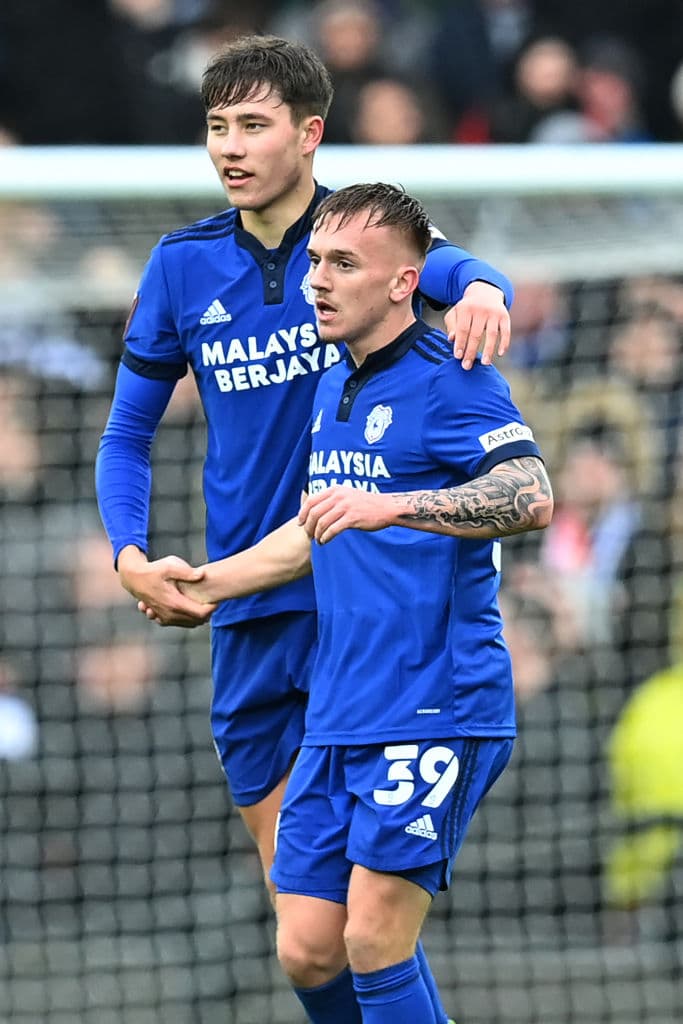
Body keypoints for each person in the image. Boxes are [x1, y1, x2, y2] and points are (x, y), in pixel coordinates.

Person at [96, 30, 513, 888]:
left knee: (364, 912)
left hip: (355, 603)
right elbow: (126, 436)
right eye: (218, 126)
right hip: (246, 603)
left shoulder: (361, 239)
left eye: (254, 124)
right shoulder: (183, 266)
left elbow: (452, 265)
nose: (231, 148)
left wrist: (479, 288)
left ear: (310, 132)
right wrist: (129, 554)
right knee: (307, 933)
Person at [173, 183, 553, 1023]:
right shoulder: (330, 384)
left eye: (343, 264)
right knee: (307, 945)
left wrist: (399, 506)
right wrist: (208, 583)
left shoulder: (449, 378)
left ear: (402, 283)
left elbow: (529, 495)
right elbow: (319, 525)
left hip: (434, 702)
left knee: (375, 938)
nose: (318, 279)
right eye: (313, 261)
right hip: (341, 710)